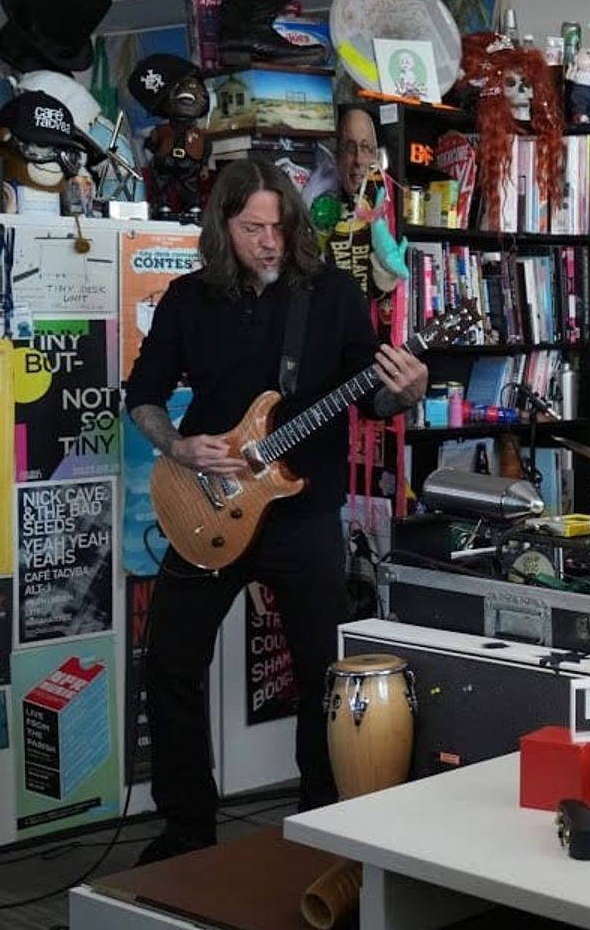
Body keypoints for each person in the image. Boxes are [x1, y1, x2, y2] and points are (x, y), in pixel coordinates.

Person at [123, 159, 429, 863]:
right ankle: (187, 824)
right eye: (252, 227)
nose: (268, 241)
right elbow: (141, 396)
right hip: (205, 506)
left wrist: (405, 391)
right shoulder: (188, 300)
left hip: (302, 512)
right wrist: (180, 446)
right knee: (169, 663)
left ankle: (318, 818)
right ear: (222, 227)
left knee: (323, 670)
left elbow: (374, 392)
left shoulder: (333, 296)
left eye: (279, 226)